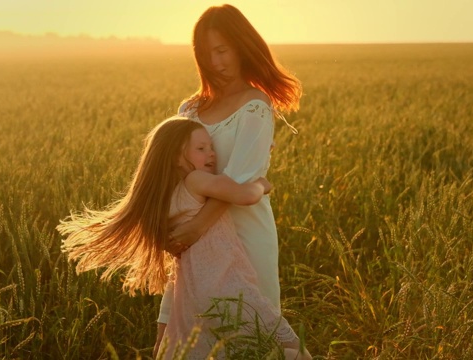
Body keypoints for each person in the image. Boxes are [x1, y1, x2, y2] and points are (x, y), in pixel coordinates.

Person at [58, 118, 311, 359]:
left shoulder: (165, 197)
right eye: (201, 148)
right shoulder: (196, 180)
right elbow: (244, 194)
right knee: (295, 351)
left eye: (211, 147)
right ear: (176, 157)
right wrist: (262, 183)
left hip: (194, 293)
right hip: (228, 286)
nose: (211, 154)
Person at [156, 2, 303, 354]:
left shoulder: (255, 105)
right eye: (207, 54)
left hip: (243, 233)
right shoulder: (189, 109)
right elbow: (174, 173)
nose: (216, 62)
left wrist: (192, 231)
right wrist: (178, 231)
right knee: (178, 333)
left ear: (240, 46)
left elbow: (240, 181)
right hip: (196, 245)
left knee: (252, 336)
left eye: (222, 50)